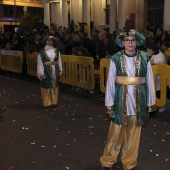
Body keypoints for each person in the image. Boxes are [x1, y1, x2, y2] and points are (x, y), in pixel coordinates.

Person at [100, 29, 156, 170]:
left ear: (137, 42)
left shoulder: (144, 57)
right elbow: (111, 82)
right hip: (120, 102)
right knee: (116, 133)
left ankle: (129, 162)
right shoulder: (115, 58)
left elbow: (149, 80)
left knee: (134, 135)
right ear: (122, 42)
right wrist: (109, 105)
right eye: (127, 40)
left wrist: (150, 103)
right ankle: (107, 161)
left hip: (139, 102)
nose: (130, 43)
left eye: (133, 40)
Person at [37, 36, 62, 108]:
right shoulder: (42, 52)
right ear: (45, 41)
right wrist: (41, 72)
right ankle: (47, 102)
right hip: (46, 70)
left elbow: (59, 60)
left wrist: (60, 69)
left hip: (55, 70)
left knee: (55, 85)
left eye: (51, 41)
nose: (49, 42)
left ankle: (54, 101)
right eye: (48, 40)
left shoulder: (56, 50)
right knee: (46, 85)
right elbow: (40, 62)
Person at [147, 42, 166, 112]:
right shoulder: (155, 53)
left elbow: (149, 62)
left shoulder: (160, 56)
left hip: (159, 78)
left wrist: (148, 56)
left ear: (151, 50)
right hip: (153, 78)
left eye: (147, 50)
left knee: (159, 92)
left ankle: (162, 106)